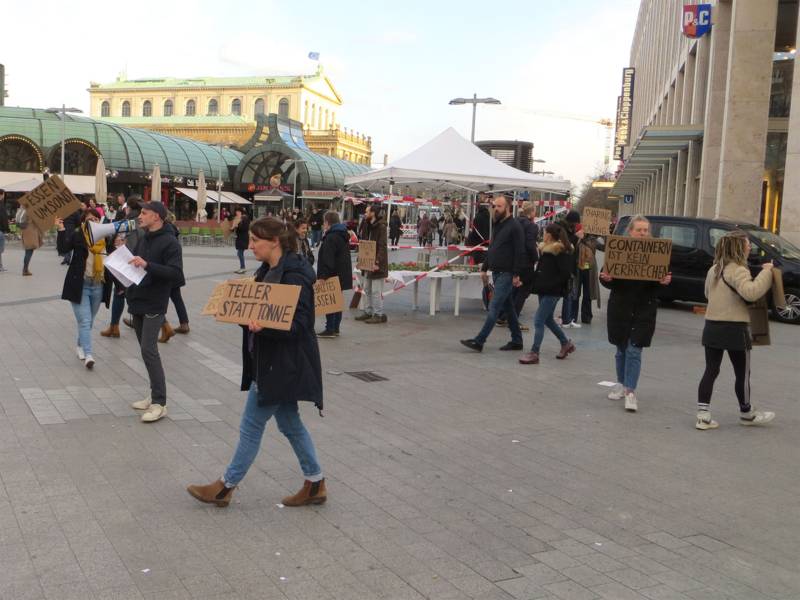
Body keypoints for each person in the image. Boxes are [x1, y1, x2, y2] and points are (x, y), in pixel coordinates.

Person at [187, 217, 326, 508]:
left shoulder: (296, 274)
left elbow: (301, 323)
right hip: (269, 360)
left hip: (281, 364)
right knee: (290, 425)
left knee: (251, 426)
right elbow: (256, 314)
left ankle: (226, 486)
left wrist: (265, 326)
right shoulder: (267, 270)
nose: (250, 247)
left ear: (274, 241)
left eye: (255, 241)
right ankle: (315, 482)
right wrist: (234, 313)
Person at [696, 230, 776, 430]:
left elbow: (707, 293)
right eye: (748, 244)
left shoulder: (714, 269)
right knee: (742, 373)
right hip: (735, 328)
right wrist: (767, 272)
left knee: (711, 370)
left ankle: (703, 415)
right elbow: (751, 292)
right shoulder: (739, 269)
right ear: (739, 247)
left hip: (712, 326)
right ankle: (746, 412)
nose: (750, 247)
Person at [599, 215, 672, 413]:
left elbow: (660, 286)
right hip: (621, 308)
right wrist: (605, 277)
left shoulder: (657, 254)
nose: (642, 233)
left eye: (645, 230)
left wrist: (664, 281)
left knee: (634, 349)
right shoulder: (618, 250)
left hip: (644, 309)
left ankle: (630, 391)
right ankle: (622, 384)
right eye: (639, 230)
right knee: (621, 349)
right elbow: (607, 277)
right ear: (630, 231)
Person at [126, 201, 185, 423]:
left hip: (155, 303)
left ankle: (160, 403)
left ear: (157, 217)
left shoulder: (170, 242)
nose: (140, 216)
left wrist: (148, 265)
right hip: (138, 300)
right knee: (144, 350)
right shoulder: (143, 238)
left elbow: (176, 275)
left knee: (149, 350)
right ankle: (152, 395)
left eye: (144, 213)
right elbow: (138, 265)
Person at [460, 195, 525, 353]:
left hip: (507, 273)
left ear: (508, 208)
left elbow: (519, 252)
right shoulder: (497, 225)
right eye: (494, 206)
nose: (495, 209)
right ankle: (517, 340)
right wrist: (484, 268)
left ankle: (479, 341)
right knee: (508, 307)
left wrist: (516, 274)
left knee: (494, 307)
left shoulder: (515, 227)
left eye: (499, 206)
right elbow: (492, 248)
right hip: (497, 272)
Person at [55, 209, 113, 369]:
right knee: (86, 321)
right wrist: (60, 229)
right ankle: (88, 354)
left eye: (96, 218)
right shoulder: (77, 234)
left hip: (98, 284)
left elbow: (114, 255)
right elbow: (63, 249)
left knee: (89, 321)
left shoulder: (104, 237)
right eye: (89, 219)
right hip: (80, 285)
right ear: (83, 222)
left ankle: (80, 345)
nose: (93, 221)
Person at [519, 223, 575, 365]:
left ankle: (534, 352)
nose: (543, 234)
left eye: (544, 232)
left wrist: (552, 285)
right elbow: (539, 272)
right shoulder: (545, 250)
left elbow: (565, 274)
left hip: (553, 292)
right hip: (543, 290)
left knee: (538, 319)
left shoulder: (560, 252)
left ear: (549, 235)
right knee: (548, 319)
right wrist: (525, 280)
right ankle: (565, 343)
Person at [498, 201, 539, 330]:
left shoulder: (513, 222)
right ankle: (513, 318)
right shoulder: (532, 226)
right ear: (531, 212)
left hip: (512, 261)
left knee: (513, 290)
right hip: (526, 262)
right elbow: (530, 245)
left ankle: (503, 316)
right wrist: (536, 258)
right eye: (534, 211)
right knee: (523, 291)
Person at [316, 211, 353, 338]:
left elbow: (328, 259)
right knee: (337, 301)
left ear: (327, 222)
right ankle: (336, 327)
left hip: (332, 273)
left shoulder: (331, 237)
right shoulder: (342, 234)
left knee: (330, 301)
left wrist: (323, 276)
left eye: (324, 222)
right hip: (341, 274)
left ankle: (330, 328)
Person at [355, 205, 389, 324]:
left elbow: (382, 246)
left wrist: (377, 261)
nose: (365, 213)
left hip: (377, 264)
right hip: (367, 262)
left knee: (375, 291)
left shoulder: (381, 226)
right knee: (367, 289)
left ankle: (378, 314)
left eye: (367, 211)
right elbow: (363, 243)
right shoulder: (366, 224)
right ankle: (368, 312)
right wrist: (360, 259)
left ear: (373, 213)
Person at [161, 212, 190, 340]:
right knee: (177, 298)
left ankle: (165, 328)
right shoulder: (173, 231)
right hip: (175, 273)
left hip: (167, 273)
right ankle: (184, 324)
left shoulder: (165, 234)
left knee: (159, 300)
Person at [559, 210, 581, 328]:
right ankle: (566, 319)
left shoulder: (568, 229)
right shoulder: (562, 229)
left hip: (570, 264)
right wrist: (576, 237)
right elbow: (567, 245)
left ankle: (567, 318)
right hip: (565, 265)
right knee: (563, 293)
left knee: (568, 294)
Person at [575, 233, 601, 324]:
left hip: (588, 270)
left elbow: (605, 248)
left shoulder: (593, 240)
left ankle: (586, 317)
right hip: (578, 269)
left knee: (587, 294)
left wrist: (606, 236)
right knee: (576, 293)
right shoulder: (577, 237)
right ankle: (573, 316)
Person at [15, 204, 40, 276]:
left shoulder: (22, 207)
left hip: (25, 231)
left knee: (28, 250)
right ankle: (25, 270)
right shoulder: (31, 210)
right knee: (29, 251)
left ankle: (25, 269)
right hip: (30, 231)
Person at [234, 208, 250, 274]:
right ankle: (242, 267)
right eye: (236, 212)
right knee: (240, 253)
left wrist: (237, 226)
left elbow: (244, 228)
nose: (236, 213)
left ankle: (243, 268)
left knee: (240, 253)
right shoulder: (238, 219)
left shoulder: (245, 219)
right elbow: (236, 228)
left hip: (243, 238)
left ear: (241, 212)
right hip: (240, 238)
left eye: (238, 212)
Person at [0, 189, 8, 272]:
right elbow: (3, 218)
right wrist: (7, 229)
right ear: (1, 195)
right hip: (0, 230)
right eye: (4, 194)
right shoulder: (1, 205)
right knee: (0, 250)